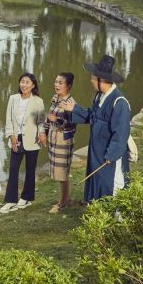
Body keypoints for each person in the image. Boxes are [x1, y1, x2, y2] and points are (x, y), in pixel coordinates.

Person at [60, 55, 131, 203]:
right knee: (98, 180)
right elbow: (93, 116)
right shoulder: (99, 96)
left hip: (109, 153)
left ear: (102, 81)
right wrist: (74, 109)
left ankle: (117, 217)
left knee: (112, 183)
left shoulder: (119, 102)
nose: (91, 81)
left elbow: (121, 134)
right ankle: (98, 212)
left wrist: (111, 155)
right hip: (96, 149)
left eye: (93, 79)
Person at [0, 72, 46, 213]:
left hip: (32, 139)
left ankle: (26, 198)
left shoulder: (38, 101)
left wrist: (42, 133)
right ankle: (10, 200)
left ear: (33, 86)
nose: (24, 85)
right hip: (16, 138)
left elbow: (41, 121)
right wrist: (11, 136)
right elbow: (8, 119)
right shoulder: (13, 98)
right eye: (22, 82)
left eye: (27, 83)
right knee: (13, 169)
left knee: (30, 170)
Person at [44, 72, 78, 213]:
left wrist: (56, 120)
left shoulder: (71, 103)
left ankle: (63, 202)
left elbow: (72, 125)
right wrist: (44, 133)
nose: (56, 85)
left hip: (64, 142)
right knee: (59, 173)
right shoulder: (55, 98)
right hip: (53, 140)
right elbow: (49, 118)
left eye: (60, 83)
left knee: (62, 172)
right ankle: (66, 198)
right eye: (56, 82)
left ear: (68, 86)